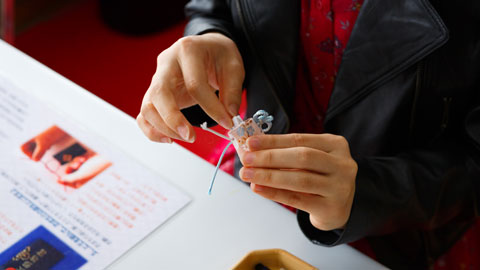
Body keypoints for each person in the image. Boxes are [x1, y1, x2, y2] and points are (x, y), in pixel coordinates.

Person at [136, 0, 480, 268]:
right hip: (252, 181)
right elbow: (215, 7)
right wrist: (211, 38)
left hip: (396, 221)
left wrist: (363, 194)